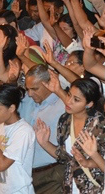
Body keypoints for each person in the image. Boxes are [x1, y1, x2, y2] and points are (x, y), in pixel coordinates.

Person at [34, 78, 105, 193]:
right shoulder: (65, 120)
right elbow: (63, 156)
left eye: (76, 100)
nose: (68, 101)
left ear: (89, 104)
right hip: (71, 185)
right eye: (69, 95)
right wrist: (44, 143)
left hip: (95, 186)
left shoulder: (100, 124)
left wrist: (89, 160)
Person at [19, 65, 66, 193]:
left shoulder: (63, 106)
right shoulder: (26, 101)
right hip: (27, 174)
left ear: (48, 83)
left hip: (52, 174)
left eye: (35, 89)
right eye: (27, 89)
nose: (30, 93)